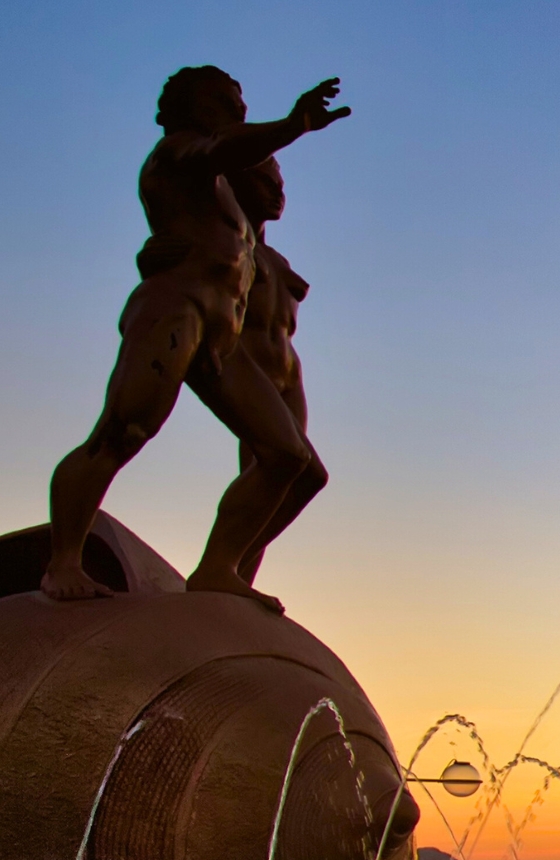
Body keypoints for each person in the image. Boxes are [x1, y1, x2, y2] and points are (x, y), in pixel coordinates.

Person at [42, 66, 348, 611]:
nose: (238, 111)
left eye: (240, 103)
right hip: (175, 312)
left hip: (221, 337)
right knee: (122, 430)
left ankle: (217, 567)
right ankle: (63, 560)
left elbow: (241, 229)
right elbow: (219, 156)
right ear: (192, 108)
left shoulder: (234, 207)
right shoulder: (178, 154)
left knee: (286, 456)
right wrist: (294, 124)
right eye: (225, 102)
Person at [225, 156, 327, 585]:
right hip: (247, 360)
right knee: (273, 466)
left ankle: (237, 575)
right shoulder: (225, 241)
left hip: (289, 371)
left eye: (280, 184)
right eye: (265, 182)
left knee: (297, 480)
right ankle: (221, 564)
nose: (277, 192)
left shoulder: (274, 255)